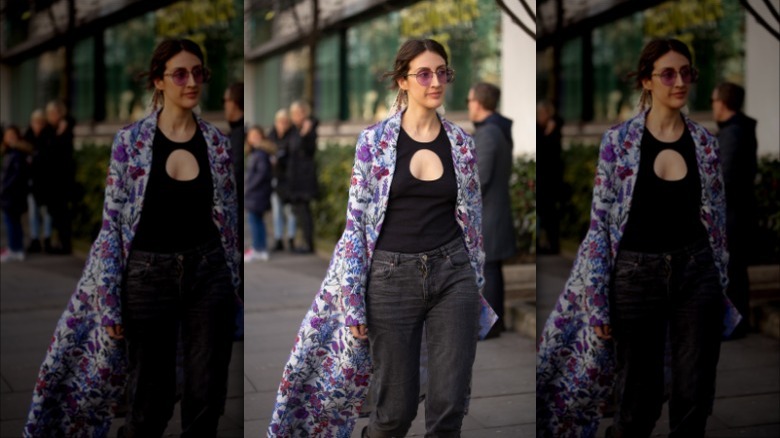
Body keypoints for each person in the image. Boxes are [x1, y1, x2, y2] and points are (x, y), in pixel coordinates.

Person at [268, 38, 497, 437]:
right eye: (424, 73)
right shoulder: (374, 142)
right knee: (394, 410)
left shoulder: (461, 142)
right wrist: (353, 299)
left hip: (453, 274)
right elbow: (355, 225)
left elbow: (472, 220)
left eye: (442, 72)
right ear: (403, 81)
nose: (435, 81)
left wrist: (473, 278)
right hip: (391, 279)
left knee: (450, 405)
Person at [25, 38, 241, 437]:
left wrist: (234, 283)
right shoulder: (131, 142)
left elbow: (226, 220)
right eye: (180, 73)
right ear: (159, 81)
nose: (191, 81)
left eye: (199, 72)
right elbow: (111, 227)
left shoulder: (217, 143)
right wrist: (108, 302)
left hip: (208, 273)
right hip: (146, 276)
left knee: (206, 398)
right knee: (149, 402)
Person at [536, 38, 740, 438]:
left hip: (696, 273)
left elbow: (716, 224)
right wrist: (596, 302)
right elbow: (599, 227)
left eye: (687, 72)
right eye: (668, 73)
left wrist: (720, 281)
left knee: (694, 394)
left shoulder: (705, 144)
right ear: (647, 81)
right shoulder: (619, 142)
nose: (679, 81)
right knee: (637, 399)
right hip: (634, 276)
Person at [467, 82, 516, 338]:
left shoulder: (488, 133)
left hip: (489, 214)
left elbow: (480, 178)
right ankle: (496, 324)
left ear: (479, 102)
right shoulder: (497, 130)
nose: (468, 106)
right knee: (493, 269)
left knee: (491, 271)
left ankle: (492, 327)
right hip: (495, 211)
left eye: (469, 101)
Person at [711, 82, 758, 339]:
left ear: (723, 102)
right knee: (735, 270)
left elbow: (723, 178)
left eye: (713, 100)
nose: (712, 106)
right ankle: (736, 324)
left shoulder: (733, 134)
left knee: (732, 271)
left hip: (733, 215)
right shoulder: (737, 131)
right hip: (737, 213)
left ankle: (735, 326)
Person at [38, 100, 76, 254]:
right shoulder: (47, 131)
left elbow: (63, 153)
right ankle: (59, 242)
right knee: (54, 214)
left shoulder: (66, 129)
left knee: (62, 215)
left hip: (62, 181)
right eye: (49, 114)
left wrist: (61, 133)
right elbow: (45, 152)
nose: (51, 117)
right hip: (49, 181)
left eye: (54, 113)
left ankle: (65, 244)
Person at [287, 99, 318, 254]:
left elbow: (307, 150)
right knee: (298, 211)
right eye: (293, 114)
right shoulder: (293, 130)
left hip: (304, 178)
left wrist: (305, 134)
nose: (296, 116)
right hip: (295, 178)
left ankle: (308, 243)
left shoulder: (309, 130)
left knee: (304, 211)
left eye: (298, 113)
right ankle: (304, 240)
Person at [244, 125, 276, 262]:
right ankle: (261, 248)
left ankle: (258, 248)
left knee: (254, 221)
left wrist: (249, 187)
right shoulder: (258, 152)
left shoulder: (260, 153)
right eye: (251, 135)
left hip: (256, 194)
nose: (254, 138)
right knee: (258, 221)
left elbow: (261, 173)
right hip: (258, 193)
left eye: (256, 135)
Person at [536, 100, 564, 255]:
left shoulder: (555, 128)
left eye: (542, 114)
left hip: (551, 180)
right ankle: (541, 244)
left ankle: (553, 245)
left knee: (551, 214)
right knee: (542, 213)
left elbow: (552, 153)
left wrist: (552, 128)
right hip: (541, 179)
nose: (539, 117)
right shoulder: (539, 130)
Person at [24, 109, 53, 254]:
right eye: (35, 122)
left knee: (46, 212)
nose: (38, 125)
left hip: (45, 180)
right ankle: (34, 238)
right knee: (33, 211)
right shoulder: (28, 137)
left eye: (40, 122)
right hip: (31, 180)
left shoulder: (48, 137)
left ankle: (47, 238)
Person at [1, 126, 32, 263]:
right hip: (12, 194)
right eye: (7, 135)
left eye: (12, 135)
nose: (9, 138)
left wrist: (4, 189)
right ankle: (16, 248)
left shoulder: (16, 153)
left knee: (12, 222)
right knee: (14, 222)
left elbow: (16, 175)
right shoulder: (11, 152)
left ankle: (15, 249)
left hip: (12, 194)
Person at [268, 108, 296, 252]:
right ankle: (278, 238)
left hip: (289, 178)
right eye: (280, 122)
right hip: (275, 177)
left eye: (285, 122)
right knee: (277, 209)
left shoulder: (292, 135)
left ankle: (291, 237)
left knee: (290, 210)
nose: (282, 124)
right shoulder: (271, 135)